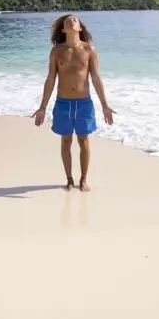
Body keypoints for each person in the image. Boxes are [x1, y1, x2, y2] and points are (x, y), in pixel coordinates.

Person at [32, 14, 116, 192]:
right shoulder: (57, 51)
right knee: (66, 141)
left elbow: (96, 78)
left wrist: (105, 105)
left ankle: (83, 180)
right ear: (63, 29)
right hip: (63, 103)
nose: (71, 21)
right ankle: (69, 179)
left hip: (84, 103)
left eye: (75, 20)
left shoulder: (89, 50)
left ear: (79, 28)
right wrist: (42, 107)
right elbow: (50, 79)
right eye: (67, 21)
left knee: (84, 140)